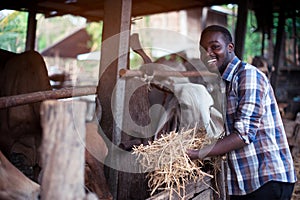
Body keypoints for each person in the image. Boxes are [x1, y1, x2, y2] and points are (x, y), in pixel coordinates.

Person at [187, 25, 297, 200]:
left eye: (215, 47)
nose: (208, 53)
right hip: (244, 184)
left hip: (266, 180)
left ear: (230, 47)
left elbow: (244, 134)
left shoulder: (248, 76)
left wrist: (198, 153)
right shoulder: (224, 84)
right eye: (203, 49)